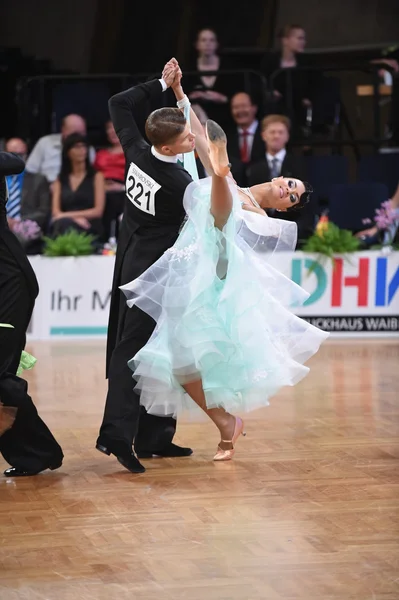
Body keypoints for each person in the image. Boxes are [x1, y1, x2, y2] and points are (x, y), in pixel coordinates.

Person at [119, 65, 328, 461]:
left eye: (292, 196)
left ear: (286, 208)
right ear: (281, 176)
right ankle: (225, 423)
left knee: (178, 359)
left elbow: (220, 221)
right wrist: (179, 94)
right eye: (290, 183)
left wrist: (219, 174)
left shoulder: (260, 218)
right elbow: (196, 134)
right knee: (177, 364)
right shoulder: (234, 182)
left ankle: (221, 424)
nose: (287, 189)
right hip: (184, 266)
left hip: (210, 279)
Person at [96, 60, 214, 473]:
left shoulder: (136, 149)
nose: (190, 139)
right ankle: (116, 436)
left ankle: (153, 437)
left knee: (164, 348)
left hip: (139, 257)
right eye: (184, 137)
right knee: (132, 352)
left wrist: (162, 85)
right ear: (168, 147)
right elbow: (218, 200)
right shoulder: (180, 184)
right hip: (151, 274)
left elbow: (117, 103)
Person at [0, 151, 64, 476]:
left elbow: (15, 162)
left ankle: (38, 452)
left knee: (1, 375)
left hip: (8, 282)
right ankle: (37, 453)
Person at [49, 133, 105, 238]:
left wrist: (67, 216)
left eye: (84, 146)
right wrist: (74, 219)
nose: (81, 150)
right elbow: (56, 211)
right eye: (76, 147)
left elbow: (98, 211)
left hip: (89, 224)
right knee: (62, 224)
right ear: (68, 152)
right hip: (64, 223)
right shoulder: (60, 180)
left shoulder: (97, 177)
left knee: (62, 224)